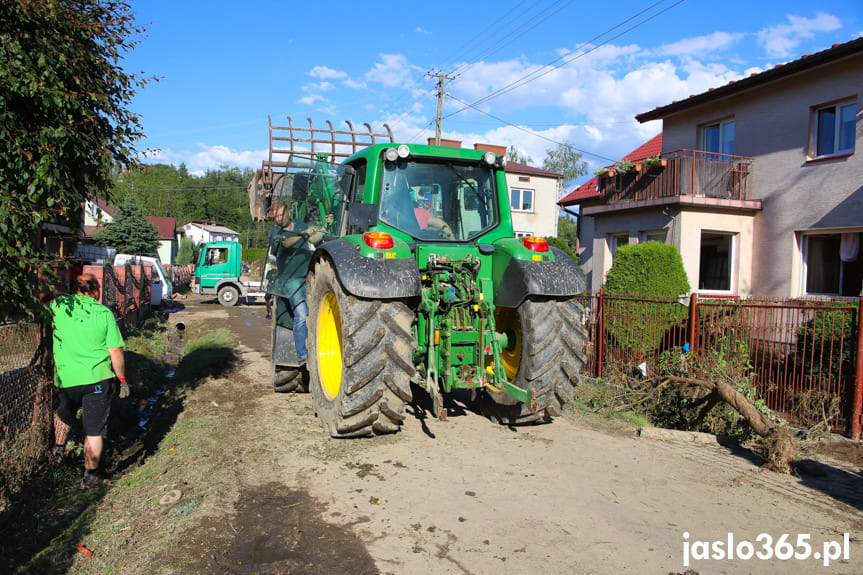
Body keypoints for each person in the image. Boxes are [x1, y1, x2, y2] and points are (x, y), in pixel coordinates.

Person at [49, 273, 127, 489]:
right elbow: (116, 352)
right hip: (97, 380)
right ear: (95, 291)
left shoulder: (58, 305)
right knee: (94, 430)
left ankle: (57, 452)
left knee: (64, 414)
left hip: (66, 377)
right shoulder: (103, 313)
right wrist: (121, 378)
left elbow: (42, 306)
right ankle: (90, 477)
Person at [265, 201, 330, 365]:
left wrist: (325, 226)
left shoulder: (300, 224)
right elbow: (286, 243)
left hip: (309, 275)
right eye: (276, 216)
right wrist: (304, 234)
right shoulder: (276, 232)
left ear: (288, 212)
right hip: (290, 279)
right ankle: (303, 355)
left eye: (281, 214)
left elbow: (314, 238)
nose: (279, 218)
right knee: (301, 313)